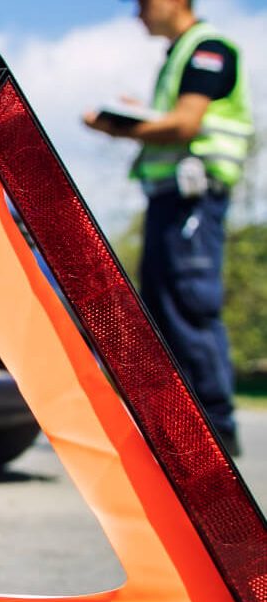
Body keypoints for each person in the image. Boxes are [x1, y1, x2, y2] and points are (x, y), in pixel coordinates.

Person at [84, 0, 253, 456]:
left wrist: (117, 128)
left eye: (143, 3)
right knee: (163, 305)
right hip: (171, 201)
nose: (137, 13)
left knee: (190, 304)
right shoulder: (180, 55)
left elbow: (185, 124)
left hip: (192, 201)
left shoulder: (206, 50)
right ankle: (183, 426)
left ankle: (215, 428)